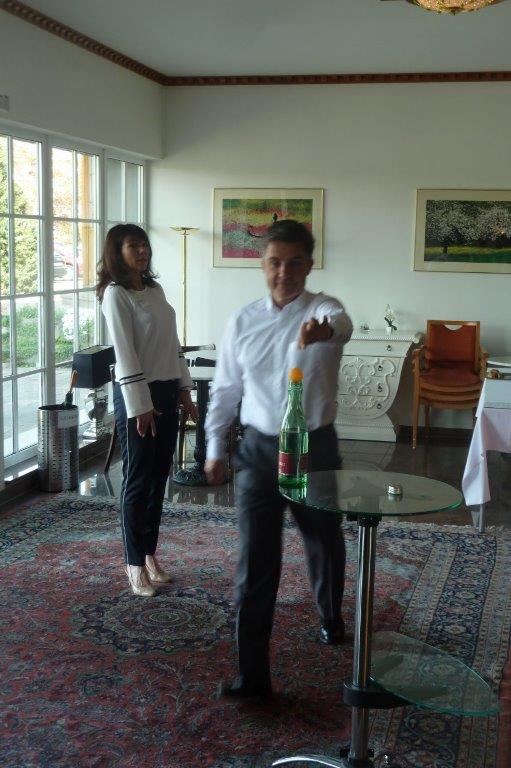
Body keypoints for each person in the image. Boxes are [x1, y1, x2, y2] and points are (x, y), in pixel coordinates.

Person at [205, 219, 353, 699]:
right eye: (274, 263)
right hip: (257, 451)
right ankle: (252, 676)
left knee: (323, 539)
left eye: (293, 263)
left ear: (309, 265)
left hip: (312, 449)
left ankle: (330, 615)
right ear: (262, 265)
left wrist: (323, 332)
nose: (283, 273)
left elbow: (343, 326)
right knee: (255, 561)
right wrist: (214, 449)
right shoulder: (242, 320)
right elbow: (225, 389)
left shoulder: (324, 309)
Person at [96, 224, 197, 598]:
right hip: (137, 395)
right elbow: (125, 354)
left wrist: (184, 391)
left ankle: (150, 554)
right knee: (137, 480)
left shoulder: (155, 290)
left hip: (167, 390)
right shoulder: (115, 294)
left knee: (158, 478)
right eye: (133, 246)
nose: (142, 251)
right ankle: (133, 563)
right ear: (117, 252)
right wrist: (142, 407)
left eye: (144, 245)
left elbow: (173, 344)